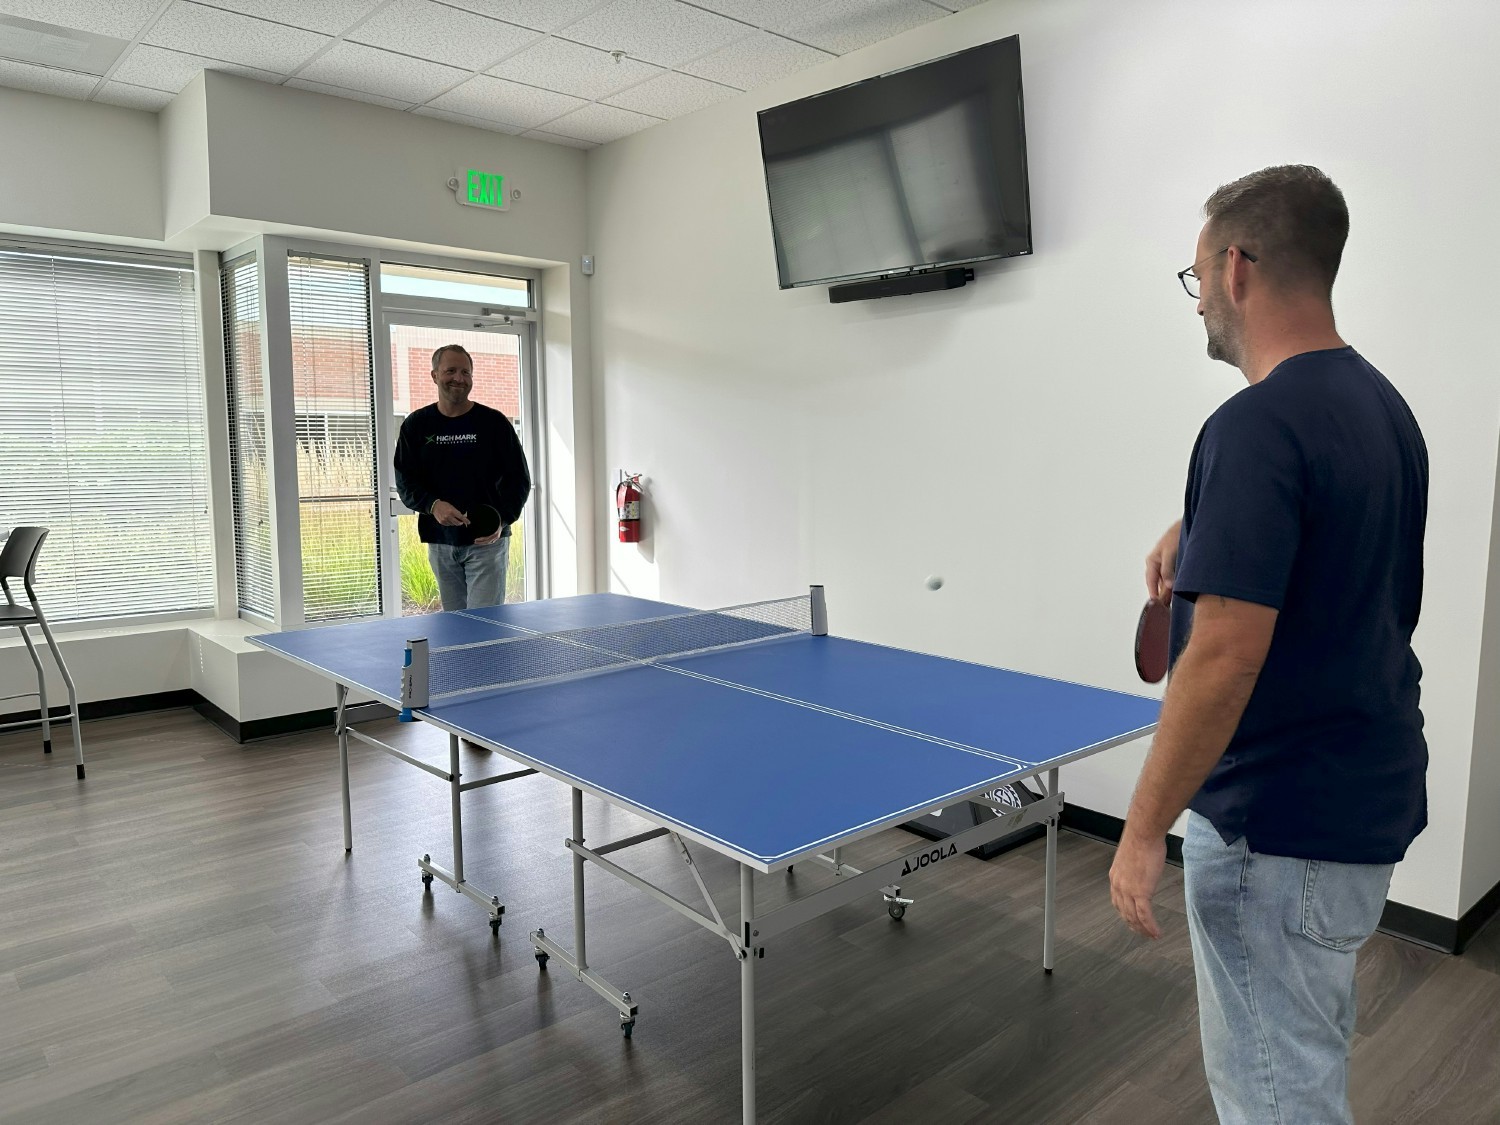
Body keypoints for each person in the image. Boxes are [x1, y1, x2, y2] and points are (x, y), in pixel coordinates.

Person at [1108, 165, 1429, 1124]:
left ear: (1237, 268)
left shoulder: (1252, 424)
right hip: (1358, 804)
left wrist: (1137, 831)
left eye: (1197, 273)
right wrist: (1198, 524)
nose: (1198, 296)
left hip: (1273, 826)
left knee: (1275, 1097)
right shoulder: (1380, 406)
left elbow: (1222, 654)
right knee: (1305, 1054)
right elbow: (1330, 544)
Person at [394, 344, 531, 610]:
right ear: (435, 375)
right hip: (441, 542)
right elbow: (406, 482)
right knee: (454, 624)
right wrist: (434, 505)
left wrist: (501, 520)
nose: (459, 378)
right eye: (451, 371)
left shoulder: (494, 423)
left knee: (486, 624)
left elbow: (519, 480)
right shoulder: (416, 425)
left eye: (466, 372)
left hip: (487, 543)